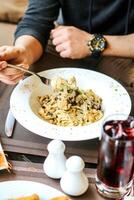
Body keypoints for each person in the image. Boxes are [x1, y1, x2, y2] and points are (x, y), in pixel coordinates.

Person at [0, 0, 134, 86]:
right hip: (66, 42)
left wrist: (92, 43)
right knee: (24, 86)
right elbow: (36, 20)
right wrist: (24, 51)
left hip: (123, 47)